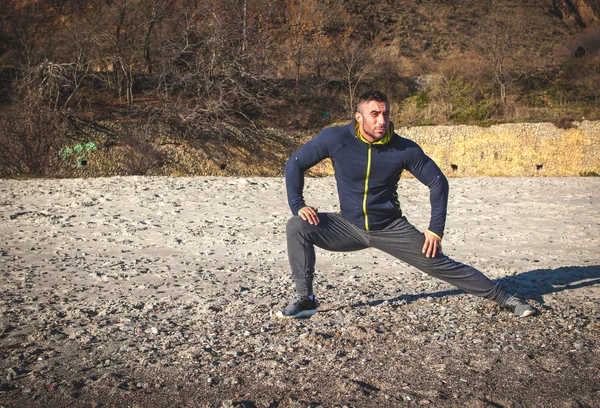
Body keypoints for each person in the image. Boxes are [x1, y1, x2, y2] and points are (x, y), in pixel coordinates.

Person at [276, 90, 538, 319]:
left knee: (439, 263)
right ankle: (305, 299)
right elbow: (295, 163)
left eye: (386, 114)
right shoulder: (335, 139)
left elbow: (438, 183)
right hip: (348, 225)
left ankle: (505, 298)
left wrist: (435, 229)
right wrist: (298, 204)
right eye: (375, 114)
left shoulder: (404, 149)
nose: (382, 120)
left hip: (390, 228)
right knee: (297, 226)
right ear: (359, 117)